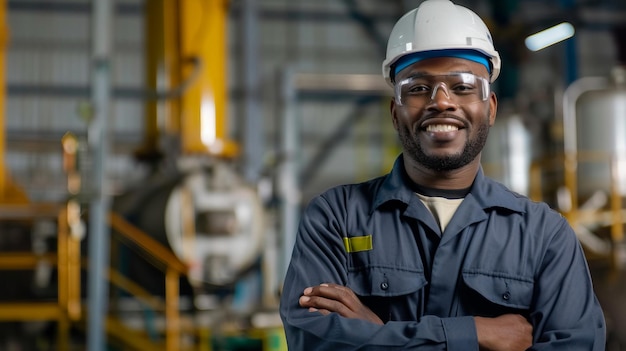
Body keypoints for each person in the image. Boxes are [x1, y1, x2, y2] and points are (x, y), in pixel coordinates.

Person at [279, 0, 607, 349]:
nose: (442, 101)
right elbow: (314, 341)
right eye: (418, 88)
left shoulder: (544, 236)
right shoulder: (337, 218)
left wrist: (375, 331)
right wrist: (476, 334)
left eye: (464, 86)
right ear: (395, 112)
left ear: (490, 109)